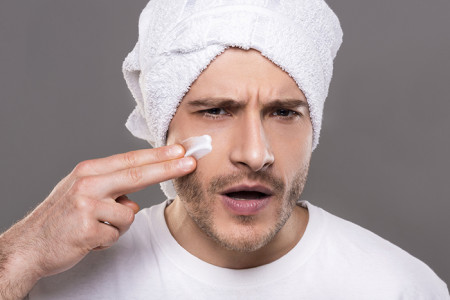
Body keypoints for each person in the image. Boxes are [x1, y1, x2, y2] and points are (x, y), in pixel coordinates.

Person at [0, 0, 448, 299]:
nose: (255, 154)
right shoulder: (53, 283)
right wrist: (19, 256)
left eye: (284, 113)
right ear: (163, 128)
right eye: (216, 110)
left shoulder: (398, 287)